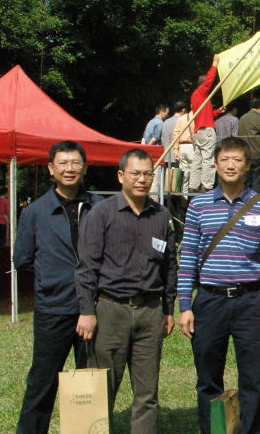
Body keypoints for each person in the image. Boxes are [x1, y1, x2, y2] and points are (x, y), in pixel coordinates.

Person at [177, 137, 260, 434]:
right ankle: (213, 430)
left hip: (250, 301)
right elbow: (188, 258)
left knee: (251, 378)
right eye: (224, 160)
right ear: (216, 165)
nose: (230, 165)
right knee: (208, 378)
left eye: (237, 160)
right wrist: (185, 305)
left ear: (247, 166)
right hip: (209, 300)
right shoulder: (199, 205)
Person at [75, 149, 177, 434]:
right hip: (111, 311)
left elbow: (170, 266)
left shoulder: (161, 215)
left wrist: (168, 309)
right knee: (103, 389)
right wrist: (86, 311)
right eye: (135, 173)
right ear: (121, 176)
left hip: (150, 312)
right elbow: (86, 268)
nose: (142, 180)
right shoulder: (101, 214)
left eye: (147, 174)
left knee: (147, 393)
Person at [13, 141, 100, 434]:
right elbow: (23, 259)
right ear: (51, 169)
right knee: (43, 379)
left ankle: (87, 428)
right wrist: (52, 277)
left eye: (75, 163)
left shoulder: (99, 207)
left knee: (91, 380)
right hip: (54, 308)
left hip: (93, 308)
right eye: (62, 163)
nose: (69, 169)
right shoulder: (35, 212)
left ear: (84, 167)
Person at [189, 56, 223, 192]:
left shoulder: (196, 95)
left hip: (199, 130)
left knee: (198, 159)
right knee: (208, 159)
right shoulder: (202, 92)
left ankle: (193, 185)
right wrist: (214, 64)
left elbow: (206, 114)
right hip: (207, 131)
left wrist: (218, 111)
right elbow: (209, 81)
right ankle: (206, 186)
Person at [239, 97, 260, 193]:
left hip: (244, 154)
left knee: (245, 181)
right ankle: (254, 204)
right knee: (257, 182)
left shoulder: (242, 118)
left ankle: (243, 202)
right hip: (258, 153)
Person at [161, 101, 188, 191]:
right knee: (178, 184)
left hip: (166, 155)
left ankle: (167, 201)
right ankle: (180, 203)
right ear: (183, 110)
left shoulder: (165, 122)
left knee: (167, 184)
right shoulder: (183, 121)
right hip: (177, 155)